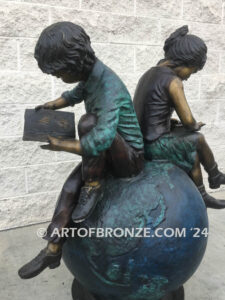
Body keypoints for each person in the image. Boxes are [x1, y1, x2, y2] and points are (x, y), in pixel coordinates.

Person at [18, 21, 144, 279]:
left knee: (88, 123)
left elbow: (101, 139)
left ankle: (94, 184)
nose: (57, 78)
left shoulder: (109, 86)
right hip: (103, 156)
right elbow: (74, 95)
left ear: (74, 64)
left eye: (59, 72)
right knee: (69, 189)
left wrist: (61, 145)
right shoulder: (90, 76)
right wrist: (52, 105)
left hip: (128, 158)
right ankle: (52, 249)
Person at [133, 25, 225, 210]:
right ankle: (214, 176)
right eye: (192, 70)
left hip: (143, 138)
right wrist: (193, 125)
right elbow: (189, 120)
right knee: (197, 139)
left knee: (190, 148)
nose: (190, 76)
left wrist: (169, 122)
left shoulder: (148, 74)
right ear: (183, 62)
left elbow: (148, 111)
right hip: (153, 145)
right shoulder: (173, 81)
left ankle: (203, 194)